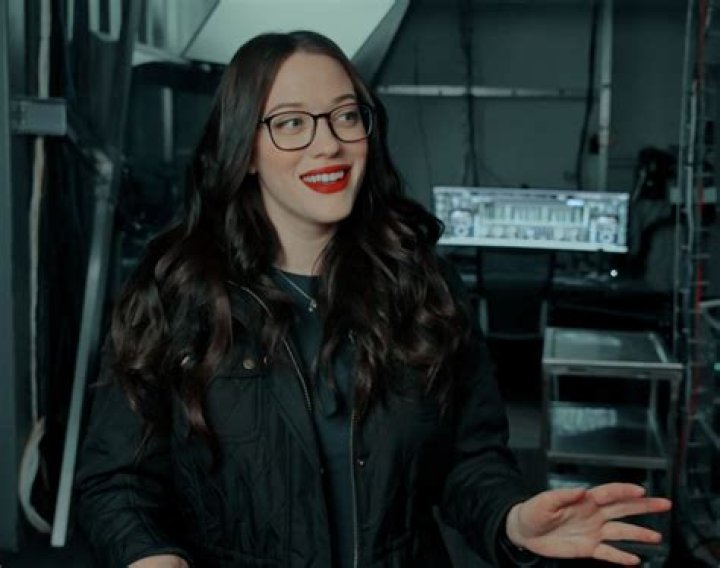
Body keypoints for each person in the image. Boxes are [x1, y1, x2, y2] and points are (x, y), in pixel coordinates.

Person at [75, 31, 671, 568]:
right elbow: (115, 482)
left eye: (345, 116)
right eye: (291, 122)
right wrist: (150, 557)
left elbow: (469, 461)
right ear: (244, 148)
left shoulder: (424, 287)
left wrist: (512, 520)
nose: (328, 144)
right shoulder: (175, 294)